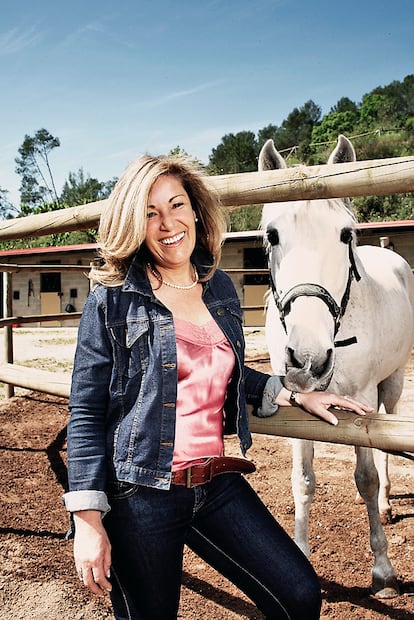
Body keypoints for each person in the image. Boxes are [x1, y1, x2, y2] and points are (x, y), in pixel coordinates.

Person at [63, 153, 371, 620]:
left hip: (216, 482)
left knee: (299, 594)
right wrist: (87, 520)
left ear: (196, 210)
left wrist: (290, 392)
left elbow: (224, 370)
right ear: (133, 222)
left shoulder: (219, 287)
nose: (168, 223)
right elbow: (85, 412)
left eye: (177, 204)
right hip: (139, 490)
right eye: (150, 212)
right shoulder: (112, 298)